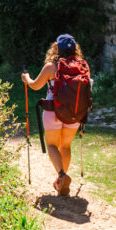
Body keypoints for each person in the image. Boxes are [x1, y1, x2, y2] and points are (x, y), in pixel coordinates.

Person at [22, 34, 86, 196]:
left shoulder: (51, 67)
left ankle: (62, 176)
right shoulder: (82, 67)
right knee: (65, 146)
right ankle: (61, 181)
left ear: (56, 48)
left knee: (52, 146)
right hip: (74, 114)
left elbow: (35, 86)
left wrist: (26, 78)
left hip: (53, 113)